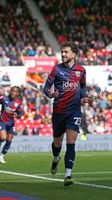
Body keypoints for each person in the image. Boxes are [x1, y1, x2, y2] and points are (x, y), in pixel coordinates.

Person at [43, 41, 90, 186]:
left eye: (66, 52)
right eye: (62, 52)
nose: (63, 54)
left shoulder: (81, 70)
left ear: (74, 54)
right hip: (58, 112)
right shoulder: (56, 70)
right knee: (57, 142)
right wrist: (50, 94)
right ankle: (56, 158)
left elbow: (82, 87)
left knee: (71, 142)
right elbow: (46, 87)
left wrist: (83, 97)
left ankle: (68, 175)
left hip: (74, 111)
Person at [0, 86, 23, 163]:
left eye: (15, 91)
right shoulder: (3, 98)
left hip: (11, 124)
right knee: (3, 138)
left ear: (18, 94)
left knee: (9, 140)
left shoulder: (18, 103)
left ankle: (1, 156)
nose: (13, 92)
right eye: (12, 90)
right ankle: (0, 140)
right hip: (2, 121)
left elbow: (21, 113)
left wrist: (17, 115)